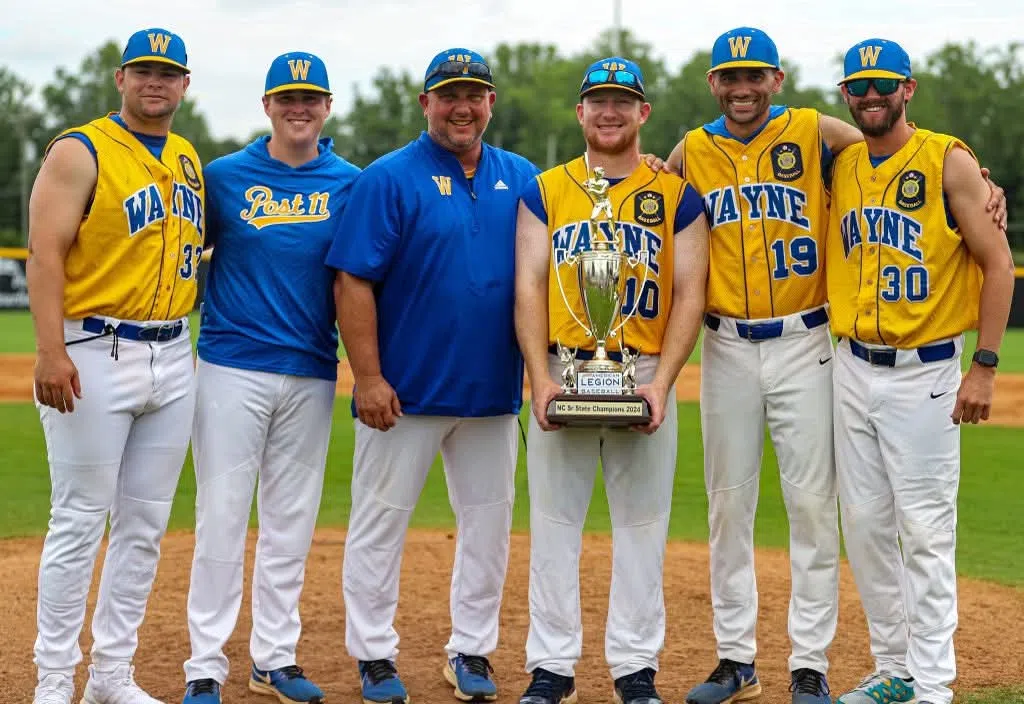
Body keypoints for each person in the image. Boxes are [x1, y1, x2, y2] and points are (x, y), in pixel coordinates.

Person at [663, 29, 1006, 704]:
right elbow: (652, 191)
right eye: (730, 75)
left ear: (778, 79)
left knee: (838, 514)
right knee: (776, 513)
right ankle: (754, 661)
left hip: (823, 345)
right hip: (754, 348)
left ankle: (830, 668)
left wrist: (981, 178)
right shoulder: (698, 152)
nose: (742, 86)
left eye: (755, 74)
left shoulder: (820, 134)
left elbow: (925, 161)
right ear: (713, 83)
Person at [325, 48, 540, 704]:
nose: (462, 107)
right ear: (426, 104)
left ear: (491, 103)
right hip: (404, 392)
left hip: (491, 392)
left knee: (488, 528)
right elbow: (353, 281)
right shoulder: (388, 178)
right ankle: (373, 654)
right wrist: (367, 378)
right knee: (379, 523)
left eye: (474, 94)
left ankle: (472, 649)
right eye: (449, 95)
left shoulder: (523, 177)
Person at [513, 57, 709, 704]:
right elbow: (529, 285)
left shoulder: (676, 196)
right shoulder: (546, 189)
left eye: (623, 101)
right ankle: (551, 667)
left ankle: (635, 668)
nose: (609, 111)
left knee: (643, 526)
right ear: (580, 112)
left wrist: (663, 383)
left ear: (643, 112)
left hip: (643, 370)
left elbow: (690, 293)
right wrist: (540, 378)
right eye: (598, 100)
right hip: (565, 368)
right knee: (553, 524)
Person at [827, 39, 1015, 704]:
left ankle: (933, 686)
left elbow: (998, 264)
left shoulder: (946, 159)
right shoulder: (842, 161)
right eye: (858, 85)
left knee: (927, 533)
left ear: (908, 88)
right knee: (867, 530)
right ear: (845, 94)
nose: (871, 95)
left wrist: (985, 366)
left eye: (884, 83)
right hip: (851, 367)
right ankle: (895, 668)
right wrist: (662, 161)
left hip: (926, 371)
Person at [26, 28, 203, 704]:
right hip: (95, 349)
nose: (156, 82)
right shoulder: (81, 149)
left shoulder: (186, 156)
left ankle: (110, 676)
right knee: (79, 519)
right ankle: (53, 680)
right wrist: (51, 350)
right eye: (143, 70)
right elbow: (45, 254)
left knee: (144, 526)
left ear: (185, 84)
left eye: (168, 72)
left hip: (174, 352)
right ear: (120, 78)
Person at [180, 53, 360, 704]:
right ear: (267, 106)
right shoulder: (224, 177)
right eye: (287, 98)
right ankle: (205, 664)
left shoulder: (350, 183)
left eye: (310, 97)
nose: (299, 108)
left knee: (290, 523)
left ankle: (274, 659)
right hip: (230, 365)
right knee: (221, 517)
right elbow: (177, 247)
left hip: (311, 369)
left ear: (328, 106)